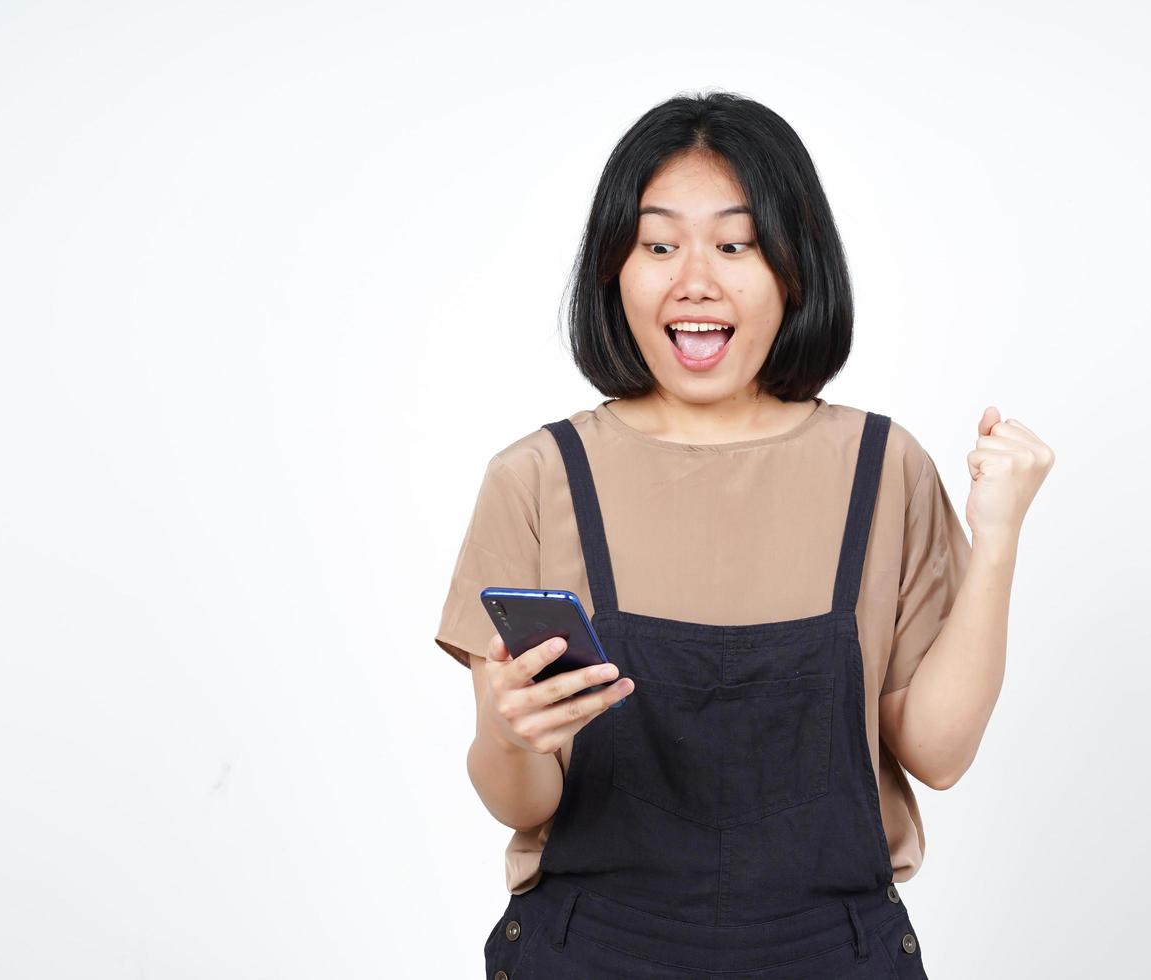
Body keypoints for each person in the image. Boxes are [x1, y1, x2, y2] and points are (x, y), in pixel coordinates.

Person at [434, 90, 1054, 979]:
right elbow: (519, 801)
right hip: (590, 955)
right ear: (616, 269)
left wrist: (996, 542)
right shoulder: (536, 477)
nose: (695, 279)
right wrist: (506, 733)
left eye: (736, 244)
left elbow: (938, 754)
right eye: (658, 245)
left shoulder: (882, 468)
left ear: (795, 271)